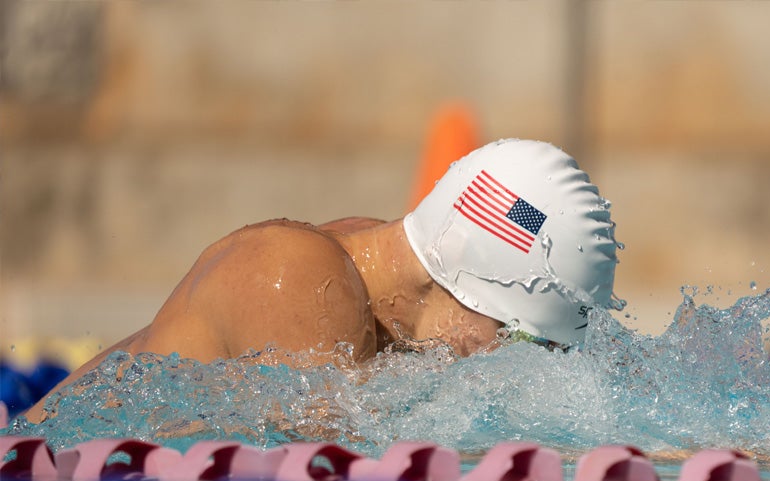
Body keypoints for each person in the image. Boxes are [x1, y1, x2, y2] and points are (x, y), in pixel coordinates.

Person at [24, 139, 618, 423]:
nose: (530, 371)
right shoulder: (304, 282)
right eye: (531, 346)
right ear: (468, 292)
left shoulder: (370, 264)